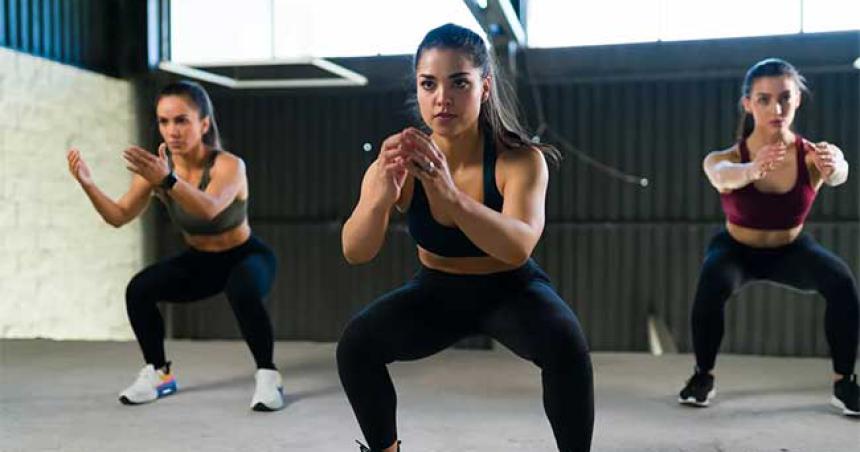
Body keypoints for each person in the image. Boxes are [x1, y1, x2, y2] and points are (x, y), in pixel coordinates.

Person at [337, 24, 594, 452]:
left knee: (567, 345)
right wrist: (378, 200)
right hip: (437, 291)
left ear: (485, 87)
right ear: (418, 90)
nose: (443, 98)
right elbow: (355, 250)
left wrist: (452, 198)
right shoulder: (399, 162)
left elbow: (517, 246)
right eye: (428, 84)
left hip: (511, 289)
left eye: (459, 82)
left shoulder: (521, 160)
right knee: (355, 347)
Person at [66, 80, 284, 411]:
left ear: (204, 124)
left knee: (241, 289)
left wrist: (167, 179)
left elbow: (209, 208)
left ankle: (269, 376)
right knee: (139, 289)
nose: (172, 131)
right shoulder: (157, 172)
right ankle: (159, 374)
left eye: (182, 120)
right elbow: (119, 215)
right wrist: (88, 184)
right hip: (201, 261)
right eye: (164, 121)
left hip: (247, 256)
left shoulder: (228, 165)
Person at [679, 58, 859, 417]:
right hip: (736, 250)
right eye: (763, 99)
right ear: (748, 104)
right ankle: (703, 376)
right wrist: (752, 168)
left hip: (790, 249)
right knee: (711, 282)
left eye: (785, 98)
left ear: (798, 101)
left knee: (841, 282)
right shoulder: (726, 157)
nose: (776, 108)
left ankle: (845, 382)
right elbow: (722, 176)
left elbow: (840, 170)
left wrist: (834, 167)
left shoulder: (813, 154)